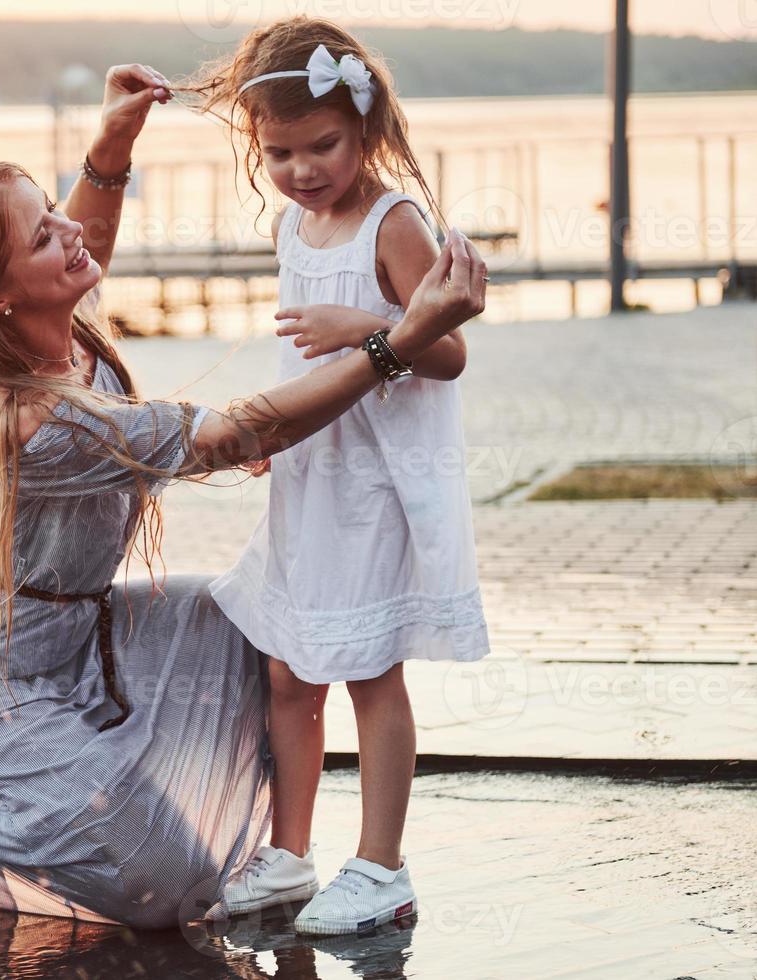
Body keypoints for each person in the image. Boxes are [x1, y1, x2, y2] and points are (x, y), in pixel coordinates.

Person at [0, 61, 488, 930]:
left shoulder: (48, 321)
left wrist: (112, 142)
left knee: (258, 618)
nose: (68, 234)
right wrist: (390, 343)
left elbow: (85, 248)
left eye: (52, 212)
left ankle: (287, 852)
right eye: (40, 237)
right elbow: (235, 431)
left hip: (86, 629)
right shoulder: (23, 415)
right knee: (159, 882)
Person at [180, 18, 491, 935]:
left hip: (375, 486)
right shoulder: (295, 222)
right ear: (255, 146)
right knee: (286, 670)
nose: (303, 168)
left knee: (369, 672)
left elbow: (449, 354)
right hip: (313, 471)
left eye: (321, 146)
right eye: (279, 152)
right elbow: (299, 357)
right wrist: (278, 426)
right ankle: (288, 852)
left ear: (363, 130)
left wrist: (360, 326)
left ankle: (382, 866)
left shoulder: (393, 223)